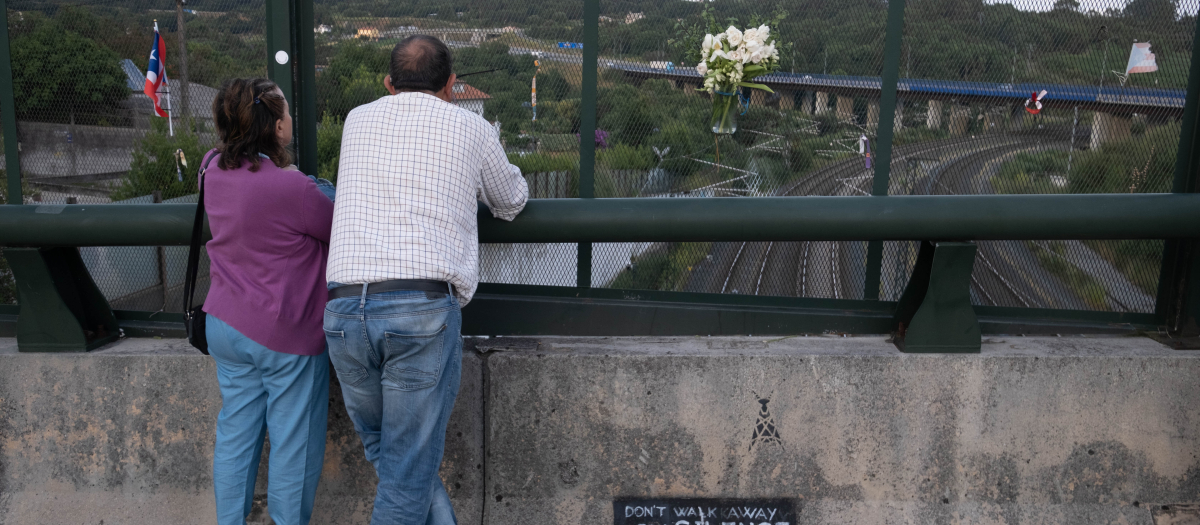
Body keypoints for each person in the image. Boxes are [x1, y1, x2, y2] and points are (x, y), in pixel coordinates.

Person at [324, 35, 528, 524]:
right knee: (406, 474)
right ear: (452, 84)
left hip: (345, 312)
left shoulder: (356, 119)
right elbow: (511, 201)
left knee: (395, 461)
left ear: (388, 83)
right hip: (419, 313)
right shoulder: (469, 127)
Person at [203, 77, 335, 525]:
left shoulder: (210, 170)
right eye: (287, 113)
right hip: (283, 334)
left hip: (224, 325)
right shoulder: (292, 189)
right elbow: (335, 222)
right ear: (277, 127)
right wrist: (312, 182)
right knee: (293, 444)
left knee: (236, 435)